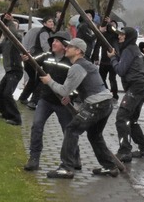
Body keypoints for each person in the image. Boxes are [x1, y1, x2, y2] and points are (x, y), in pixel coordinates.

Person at [40, 37, 120, 179]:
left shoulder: (77, 67)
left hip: (96, 105)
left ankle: (66, 168)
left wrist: (49, 81)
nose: (66, 48)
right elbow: (81, 87)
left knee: (71, 130)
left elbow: (64, 90)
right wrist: (71, 97)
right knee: (95, 135)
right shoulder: (86, 65)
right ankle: (110, 166)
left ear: (78, 51)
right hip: (106, 103)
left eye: (69, 47)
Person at [23, 30, 79, 171]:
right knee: (37, 125)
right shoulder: (47, 56)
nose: (53, 43)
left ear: (65, 45)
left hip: (63, 103)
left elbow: (78, 84)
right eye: (53, 41)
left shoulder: (72, 62)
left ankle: (74, 157)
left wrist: (71, 96)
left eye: (57, 41)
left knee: (68, 131)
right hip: (46, 99)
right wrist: (26, 59)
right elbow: (33, 60)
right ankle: (34, 158)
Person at [109, 27, 144, 162]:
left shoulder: (129, 50)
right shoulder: (134, 50)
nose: (120, 37)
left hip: (135, 87)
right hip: (140, 87)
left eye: (122, 35)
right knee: (131, 120)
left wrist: (112, 59)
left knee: (121, 118)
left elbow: (121, 70)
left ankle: (125, 150)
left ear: (129, 37)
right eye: (119, 34)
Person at [0, 16, 23, 126]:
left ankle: (16, 118)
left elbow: (14, 33)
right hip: (9, 71)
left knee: (7, 94)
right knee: (0, 93)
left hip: (15, 70)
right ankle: (5, 113)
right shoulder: (5, 42)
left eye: (9, 28)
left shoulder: (16, 40)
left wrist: (9, 22)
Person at [19, 15, 55, 108]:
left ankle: (23, 97)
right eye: (49, 21)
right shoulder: (44, 32)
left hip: (33, 59)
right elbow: (45, 46)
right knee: (41, 80)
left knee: (33, 80)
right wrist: (52, 53)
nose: (52, 23)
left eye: (52, 22)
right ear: (44, 23)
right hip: (37, 59)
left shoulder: (47, 32)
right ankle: (33, 101)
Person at [98, 18, 120, 100]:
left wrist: (110, 24)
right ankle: (106, 92)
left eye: (114, 25)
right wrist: (96, 57)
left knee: (112, 79)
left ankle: (115, 95)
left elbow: (116, 31)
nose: (112, 26)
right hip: (104, 60)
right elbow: (98, 45)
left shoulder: (117, 35)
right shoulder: (104, 34)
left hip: (113, 61)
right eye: (111, 25)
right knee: (101, 78)